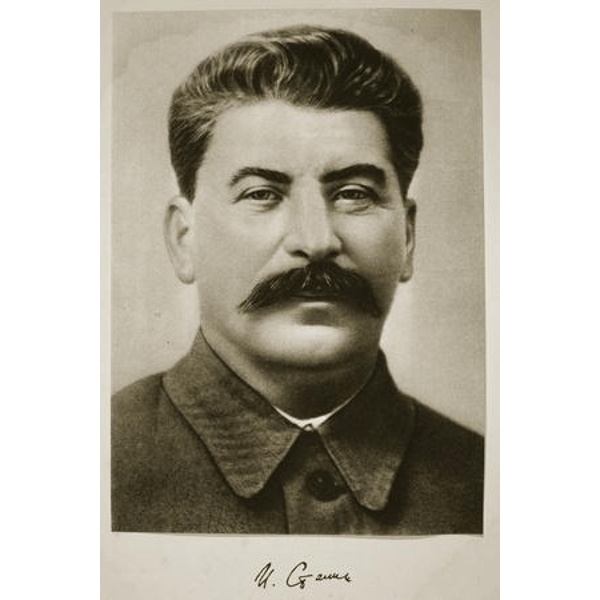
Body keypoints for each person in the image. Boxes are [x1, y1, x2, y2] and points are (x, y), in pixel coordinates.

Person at [111, 25, 484, 535]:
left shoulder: (487, 483)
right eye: (261, 194)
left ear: (408, 237)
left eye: (354, 193)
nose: (316, 240)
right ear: (183, 239)